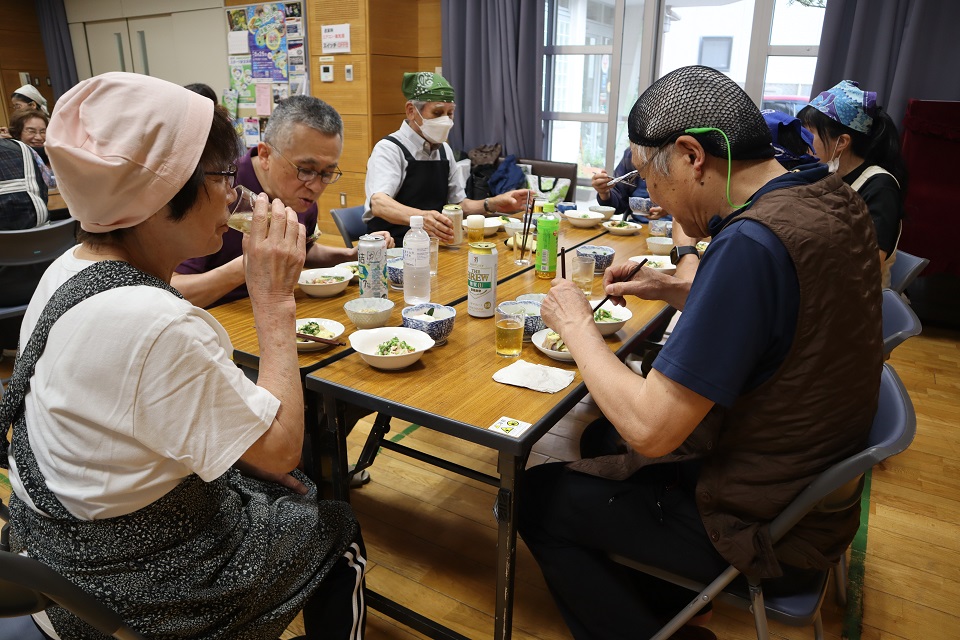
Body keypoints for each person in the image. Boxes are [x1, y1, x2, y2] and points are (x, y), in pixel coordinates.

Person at [518, 65, 882, 640]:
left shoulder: (749, 243)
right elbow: (790, 301)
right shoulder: (824, 192)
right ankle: (672, 608)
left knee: (538, 494)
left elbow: (652, 429)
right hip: (813, 486)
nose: (655, 201)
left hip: (766, 524)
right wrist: (679, 287)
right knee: (598, 440)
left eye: (648, 177)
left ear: (692, 156)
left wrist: (577, 326)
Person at [0, 72, 365, 640]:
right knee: (334, 525)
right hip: (122, 582)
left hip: (54, 542)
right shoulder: (159, 323)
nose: (232, 194)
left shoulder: (68, 267)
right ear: (164, 190)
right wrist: (272, 301)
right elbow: (280, 449)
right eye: (222, 176)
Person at [174, 94, 393, 308]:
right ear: (265, 155)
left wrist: (350, 255)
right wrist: (248, 266)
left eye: (327, 173)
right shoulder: (217, 189)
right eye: (305, 170)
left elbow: (303, 248)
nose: (316, 186)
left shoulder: (300, 194)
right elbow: (171, 290)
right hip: (218, 320)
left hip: (280, 306)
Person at [364, 71, 529, 246]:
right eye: (437, 113)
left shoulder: (444, 150)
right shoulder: (390, 149)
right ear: (411, 111)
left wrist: (493, 204)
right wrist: (422, 217)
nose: (446, 120)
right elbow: (379, 203)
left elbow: (459, 205)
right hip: (394, 246)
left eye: (450, 113)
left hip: (435, 246)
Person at [798, 80, 907, 288]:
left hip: (860, 302)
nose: (803, 143)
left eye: (809, 135)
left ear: (842, 142)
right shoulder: (826, 175)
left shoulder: (880, 186)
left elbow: (869, 263)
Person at [590, 147, 667, 220]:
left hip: (674, 228)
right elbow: (618, 205)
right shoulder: (633, 153)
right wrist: (604, 193)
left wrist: (670, 209)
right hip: (637, 228)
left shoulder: (677, 155)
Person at [8, 109, 55, 187]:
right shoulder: (12, 158)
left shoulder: (53, 154)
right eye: (31, 131)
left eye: (43, 132)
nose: (39, 137)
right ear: (17, 133)